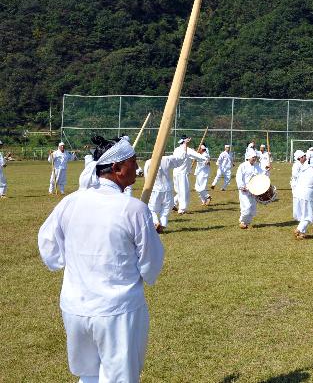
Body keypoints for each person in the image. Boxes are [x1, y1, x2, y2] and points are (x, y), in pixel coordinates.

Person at [38, 135, 164, 383]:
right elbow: (151, 262)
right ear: (117, 168)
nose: (137, 168)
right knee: (119, 378)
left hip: (75, 308)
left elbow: (49, 245)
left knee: (88, 375)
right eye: (132, 162)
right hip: (117, 311)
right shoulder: (134, 209)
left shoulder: (70, 202)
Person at [144, 142, 188, 233]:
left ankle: (156, 222)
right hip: (167, 189)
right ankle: (163, 224)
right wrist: (185, 146)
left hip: (155, 189)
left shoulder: (148, 162)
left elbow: (146, 177)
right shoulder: (167, 159)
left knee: (152, 209)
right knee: (166, 209)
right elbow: (180, 160)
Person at [171, 136, 205, 214]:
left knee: (179, 191)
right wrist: (205, 158)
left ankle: (172, 204)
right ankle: (182, 209)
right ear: (186, 141)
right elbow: (198, 157)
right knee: (184, 192)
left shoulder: (176, 149)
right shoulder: (188, 150)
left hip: (175, 172)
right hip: (182, 173)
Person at [293, 155, 313, 239]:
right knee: (309, 215)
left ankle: (302, 233)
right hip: (307, 195)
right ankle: (298, 229)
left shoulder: (303, 170)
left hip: (297, 194)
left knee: (303, 214)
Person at [236, 148, 263, 229]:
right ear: (248, 157)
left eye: (255, 157)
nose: (254, 159)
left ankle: (246, 223)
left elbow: (261, 175)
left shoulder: (257, 166)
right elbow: (238, 177)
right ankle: (242, 221)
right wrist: (241, 186)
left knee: (253, 208)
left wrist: (266, 170)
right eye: (253, 157)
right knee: (247, 206)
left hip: (254, 191)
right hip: (244, 190)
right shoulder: (242, 166)